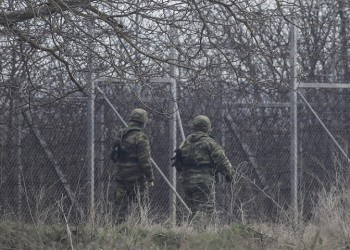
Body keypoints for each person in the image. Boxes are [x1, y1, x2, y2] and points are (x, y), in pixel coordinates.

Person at [173, 115, 233, 226]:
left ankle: (192, 237)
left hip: (186, 180)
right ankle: (192, 231)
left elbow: (177, 161)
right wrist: (230, 175)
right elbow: (222, 161)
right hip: (203, 181)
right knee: (206, 209)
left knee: (196, 211)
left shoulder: (185, 142)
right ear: (207, 127)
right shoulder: (209, 142)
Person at [111, 108, 154, 224]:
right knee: (142, 206)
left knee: (120, 207)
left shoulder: (121, 134)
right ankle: (142, 229)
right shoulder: (141, 137)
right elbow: (145, 160)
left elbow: (114, 155)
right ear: (143, 121)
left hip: (120, 175)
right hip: (137, 178)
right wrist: (150, 178)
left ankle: (118, 231)